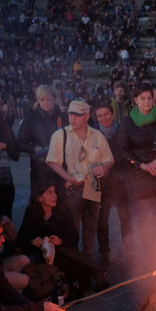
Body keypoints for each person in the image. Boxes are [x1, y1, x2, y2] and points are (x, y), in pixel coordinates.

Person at [112, 82, 156, 269]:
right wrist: (141, 165)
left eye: (150, 98)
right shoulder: (127, 123)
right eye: (143, 98)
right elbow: (122, 150)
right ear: (135, 101)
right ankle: (148, 260)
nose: (147, 101)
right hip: (138, 177)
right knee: (144, 219)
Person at [45, 99, 114, 259]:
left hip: (93, 189)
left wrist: (104, 167)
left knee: (91, 228)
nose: (73, 119)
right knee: (72, 230)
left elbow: (109, 159)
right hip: (71, 190)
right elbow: (53, 162)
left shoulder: (97, 135)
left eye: (77, 115)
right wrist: (68, 177)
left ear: (87, 116)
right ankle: (74, 264)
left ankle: (88, 261)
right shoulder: (60, 135)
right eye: (70, 114)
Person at [16, 183, 108, 295]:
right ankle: (95, 269)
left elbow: (73, 237)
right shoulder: (32, 213)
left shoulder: (63, 211)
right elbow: (22, 236)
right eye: (49, 193)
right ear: (39, 198)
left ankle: (92, 271)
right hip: (40, 256)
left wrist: (60, 241)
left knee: (63, 252)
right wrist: (32, 241)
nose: (54, 196)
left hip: (64, 254)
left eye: (54, 192)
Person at [94, 102, 131, 271]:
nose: (104, 118)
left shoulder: (122, 130)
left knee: (126, 218)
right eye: (100, 116)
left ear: (112, 114)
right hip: (104, 184)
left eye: (106, 114)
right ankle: (104, 253)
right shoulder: (94, 134)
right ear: (96, 118)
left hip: (122, 181)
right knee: (102, 220)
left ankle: (129, 251)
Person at [16, 85, 66, 193]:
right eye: (42, 100)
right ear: (38, 101)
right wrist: (34, 149)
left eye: (49, 99)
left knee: (60, 200)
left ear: (54, 99)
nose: (46, 103)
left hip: (61, 167)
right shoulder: (31, 118)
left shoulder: (63, 116)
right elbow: (20, 142)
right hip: (40, 168)